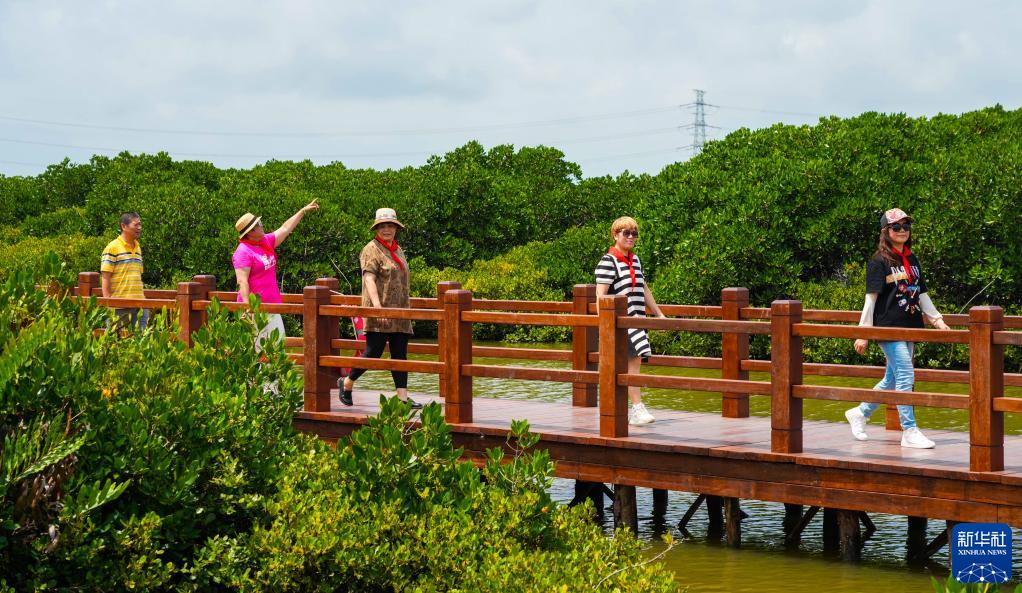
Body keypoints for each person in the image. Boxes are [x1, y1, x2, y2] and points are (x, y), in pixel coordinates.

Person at [844, 208, 950, 449]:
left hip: (910, 326)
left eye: (906, 226)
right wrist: (864, 333)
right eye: (896, 227)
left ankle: (860, 412)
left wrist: (937, 320)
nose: (902, 230)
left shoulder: (912, 260)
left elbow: (921, 294)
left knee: (892, 379)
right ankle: (909, 430)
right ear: (886, 231)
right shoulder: (878, 261)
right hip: (888, 328)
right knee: (905, 375)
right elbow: (870, 299)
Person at [339, 208, 421, 409]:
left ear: (396, 228)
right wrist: (377, 308)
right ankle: (347, 382)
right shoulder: (371, 249)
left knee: (400, 354)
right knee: (373, 352)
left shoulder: (398, 249)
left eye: (390, 225)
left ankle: (402, 398)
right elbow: (369, 279)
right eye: (382, 226)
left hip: (400, 312)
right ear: (376, 228)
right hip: (379, 309)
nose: (387, 229)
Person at [594, 216, 665, 425]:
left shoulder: (635, 260)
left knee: (634, 363)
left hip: (637, 320)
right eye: (626, 233)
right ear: (615, 235)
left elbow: (644, 288)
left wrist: (658, 314)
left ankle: (629, 409)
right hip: (620, 322)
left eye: (634, 233)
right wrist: (604, 326)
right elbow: (600, 295)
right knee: (632, 364)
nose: (631, 237)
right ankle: (636, 408)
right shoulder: (608, 261)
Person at [232, 200, 319, 350]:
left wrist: (302, 211)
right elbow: (242, 282)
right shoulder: (243, 252)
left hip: (272, 306)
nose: (262, 225)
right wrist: (247, 308)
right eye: (259, 224)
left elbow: (285, 228)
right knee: (258, 353)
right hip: (255, 310)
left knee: (277, 350)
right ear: (251, 232)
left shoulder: (265, 241)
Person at [101, 212, 148, 331]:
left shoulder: (138, 248)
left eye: (140, 224)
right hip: (119, 306)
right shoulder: (112, 247)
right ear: (124, 226)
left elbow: (137, 276)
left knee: (142, 339)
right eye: (136, 225)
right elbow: (105, 276)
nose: (139, 228)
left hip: (140, 304)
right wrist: (108, 302)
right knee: (115, 339)